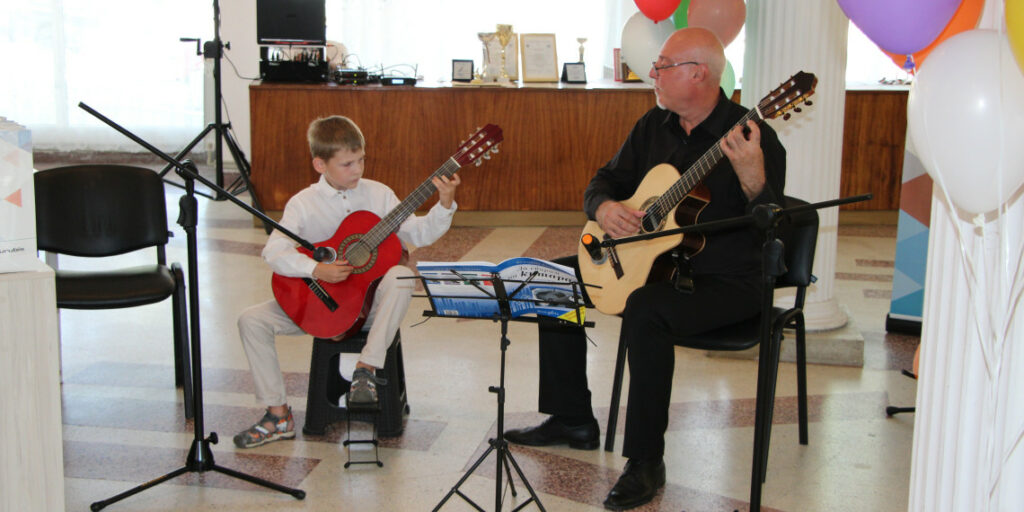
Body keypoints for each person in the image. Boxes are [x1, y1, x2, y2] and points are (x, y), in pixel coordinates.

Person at [503, 27, 786, 510]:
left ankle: (646, 460)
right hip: (652, 266)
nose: (651, 73)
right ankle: (572, 417)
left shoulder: (753, 137)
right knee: (553, 280)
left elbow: (772, 224)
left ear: (698, 74)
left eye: (662, 66)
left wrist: (752, 177)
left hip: (726, 280)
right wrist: (605, 207)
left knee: (646, 309)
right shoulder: (654, 125)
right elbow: (604, 180)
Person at [233, 115, 461, 449]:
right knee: (251, 320)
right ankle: (278, 415)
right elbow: (274, 252)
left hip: (370, 309)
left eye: (361, 160)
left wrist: (445, 203)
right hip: (319, 306)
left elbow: (419, 234)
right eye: (347, 164)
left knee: (401, 275)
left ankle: (366, 370)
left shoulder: (379, 195)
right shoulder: (303, 203)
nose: (357, 170)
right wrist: (315, 269)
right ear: (320, 164)